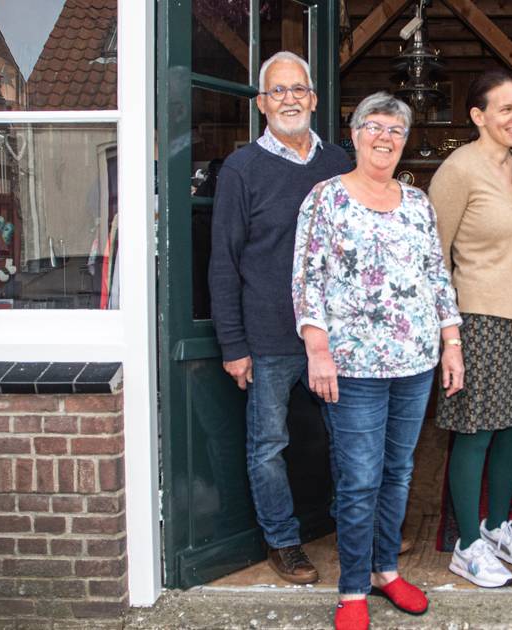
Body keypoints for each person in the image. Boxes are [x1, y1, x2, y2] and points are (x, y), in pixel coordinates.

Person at [292, 91, 464, 630]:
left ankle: (385, 570)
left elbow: (437, 274)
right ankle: (352, 589)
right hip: (353, 367)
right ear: (355, 134)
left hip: (414, 363)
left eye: (396, 130)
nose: (385, 137)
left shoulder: (417, 203)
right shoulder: (325, 198)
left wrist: (452, 343)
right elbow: (306, 280)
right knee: (360, 478)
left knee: (398, 472)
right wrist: (318, 350)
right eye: (375, 126)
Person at [208, 51, 351, 585]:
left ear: (313, 98)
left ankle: (353, 526)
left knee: (349, 437)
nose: (289, 99)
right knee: (268, 447)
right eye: (277, 91)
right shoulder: (241, 169)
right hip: (269, 336)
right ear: (262, 104)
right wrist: (233, 344)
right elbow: (224, 261)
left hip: (335, 336)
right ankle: (284, 541)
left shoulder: (339, 162)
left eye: (298, 89)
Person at [428, 69, 512, 589]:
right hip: (477, 319)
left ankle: (497, 526)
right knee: (476, 429)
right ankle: (467, 546)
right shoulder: (457, 170)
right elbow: (433, 257)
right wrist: (448, 335)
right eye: (506, 108)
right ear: (478, 116)